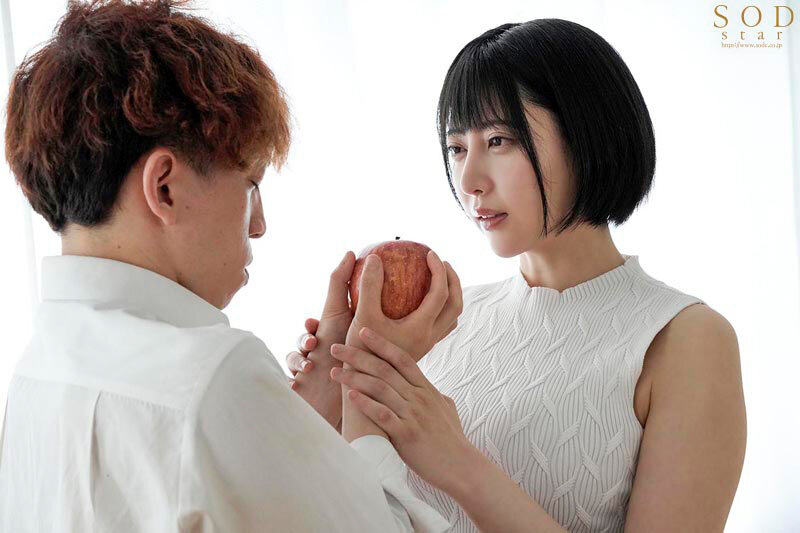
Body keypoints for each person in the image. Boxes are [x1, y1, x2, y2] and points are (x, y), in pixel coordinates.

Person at [0, 1, 461, 531]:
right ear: (164, 188)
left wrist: (303, 411)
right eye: (250, 185)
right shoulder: (211, 373)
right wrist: (366, 379)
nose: (258, 224)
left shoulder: (35, 372)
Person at [287, 19, 747, 533]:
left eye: (499, 140)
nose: (469, 180)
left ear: (588, 135)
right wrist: (324, 397)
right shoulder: (438, 320)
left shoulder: (685, 338)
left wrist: (457, 462)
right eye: (457, 148)